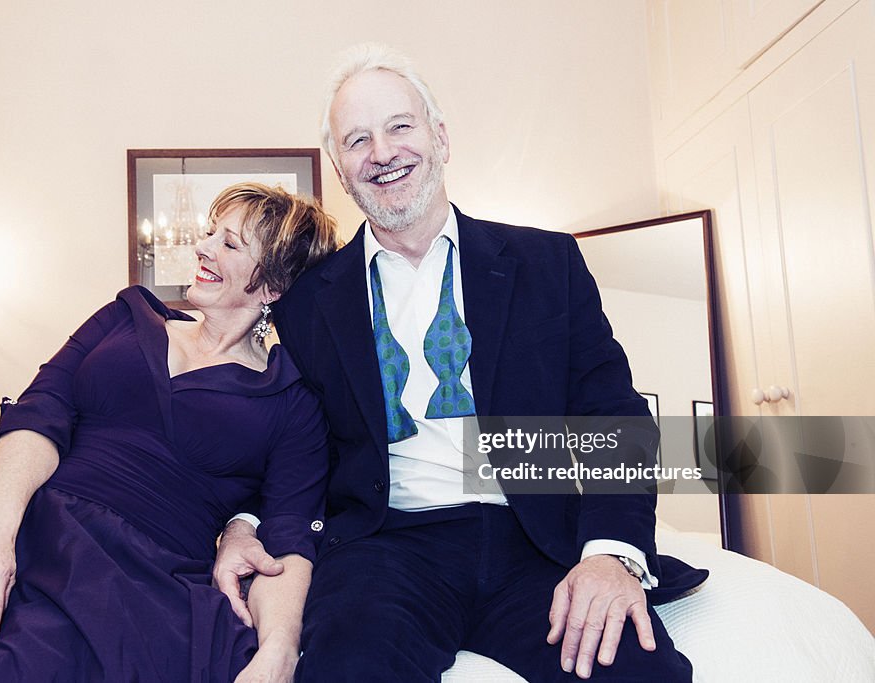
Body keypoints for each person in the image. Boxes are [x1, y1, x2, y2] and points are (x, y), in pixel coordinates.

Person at [213, 45, 709, 682]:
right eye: (357, 140)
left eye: (400, 126)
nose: (382, 152)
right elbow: (290, 442)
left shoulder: (546, 264)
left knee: (637, 672)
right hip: (384, 550)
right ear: (340, 167)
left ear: (440, 136)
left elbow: (612, 415)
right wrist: (243, 523)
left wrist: (611, 555)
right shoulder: (309, 303)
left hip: (534, 539)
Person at [0, 182, 339, 682]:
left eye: (229, 244)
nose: (203, 247)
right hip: (22, 525)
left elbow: (288, 535)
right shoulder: (127, 317)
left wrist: (279, 651)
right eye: (210, 232)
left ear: (274, 286)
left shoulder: (294, 398)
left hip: (135, 585)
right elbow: (40, 412)